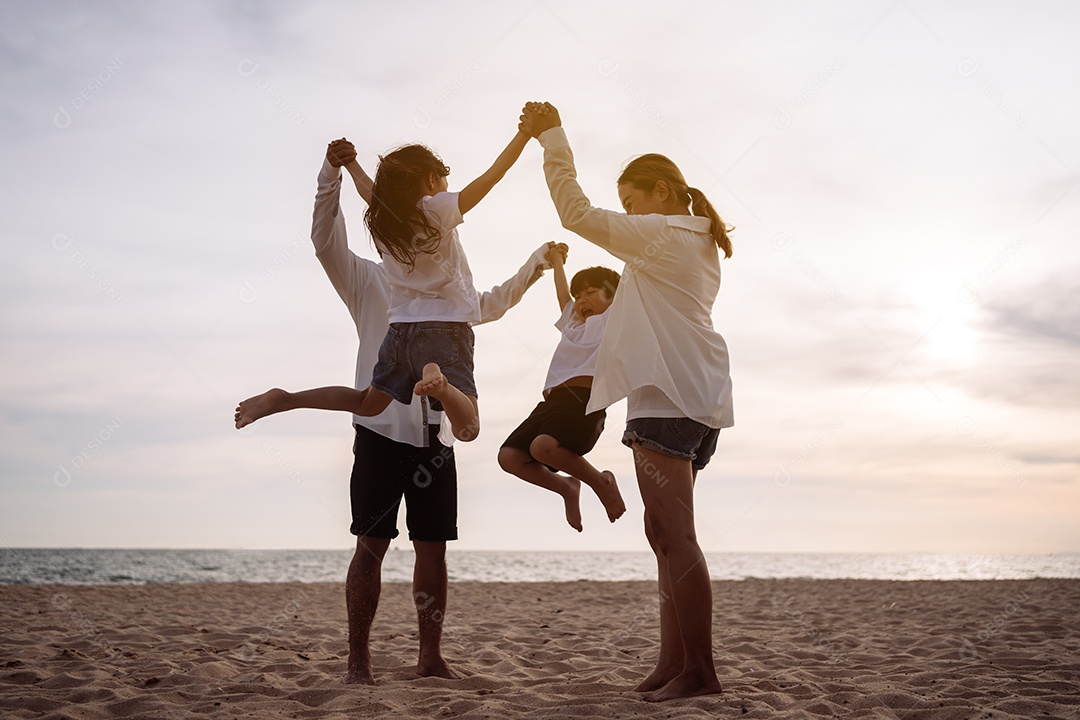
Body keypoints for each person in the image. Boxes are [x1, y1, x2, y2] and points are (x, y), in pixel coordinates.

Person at [242, 137, 555, 685]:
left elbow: (487, 303)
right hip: (383, 435)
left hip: (433, 438)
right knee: (372, 545)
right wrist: (331, 173)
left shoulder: (408, 247)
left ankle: (430, 658)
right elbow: (324, 238)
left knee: (432, 549)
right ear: (428, 184)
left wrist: (535, 264)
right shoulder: (368, 276)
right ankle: (358, 661)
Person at [519, 102, 735, 702]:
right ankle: (673, 663)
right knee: (664, 534)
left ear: (660, 192)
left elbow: (575, 213)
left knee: (675, 536)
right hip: (697, 395)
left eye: (632, 201)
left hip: (667, 398)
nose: (628, 214)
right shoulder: (696, 240)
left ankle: (700, 672)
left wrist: (551, 138)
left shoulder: (664, 234)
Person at [235, 126, 534, 441]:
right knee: (467, 428)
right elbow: (491, 177)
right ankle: (442, 385)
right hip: (444, 329)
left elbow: (368, 190)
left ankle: (287, 399)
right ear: (431, 180)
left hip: (401, 331)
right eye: (444, 182)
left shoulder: (383, 217)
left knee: (366, 404)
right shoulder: (438, 210)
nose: (447, 189)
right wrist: (524, 136)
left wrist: (350, 164)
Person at [497, 250, 626, 532]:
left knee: (542, 447)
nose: (581, 300)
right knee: (509, 457)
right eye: (578, 296)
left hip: (584, 402)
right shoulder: (573, 323)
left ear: (613, 296)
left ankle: (600, 482)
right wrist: (556, 262)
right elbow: (562, 295)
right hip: (552, 402)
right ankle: (567, 487)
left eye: (590, 292)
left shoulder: (614, 318)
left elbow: (630, 281)